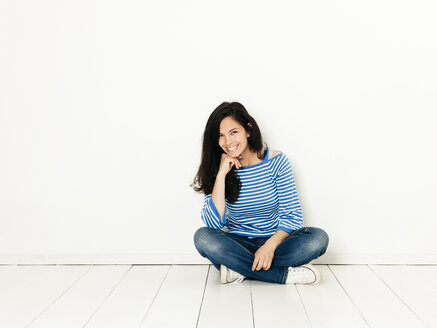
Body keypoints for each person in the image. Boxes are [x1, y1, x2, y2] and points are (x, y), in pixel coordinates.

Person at [190, 101, 329, 284]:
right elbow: (213, 223)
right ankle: (283, 275)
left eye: (234, 132)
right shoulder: (220, 167)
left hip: (276, 242)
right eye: (221, 136)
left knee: (318, 239)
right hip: (237, 243)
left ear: (248, 130)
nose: (228, 142)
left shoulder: (276, 162)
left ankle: (238, 269)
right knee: (202, 237)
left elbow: (293, 217)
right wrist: (222, 174)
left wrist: (269, 246)